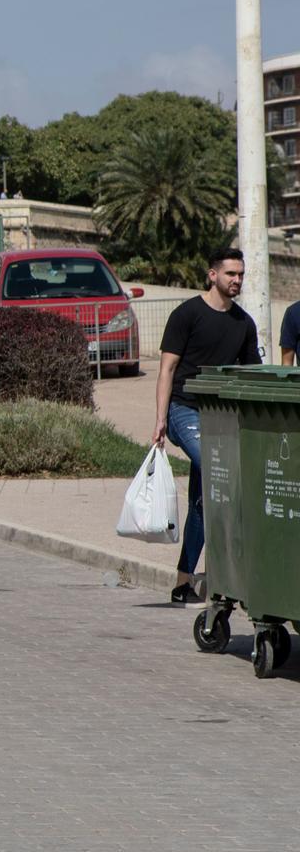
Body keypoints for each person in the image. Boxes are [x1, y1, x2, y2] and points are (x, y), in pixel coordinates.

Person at [154, 247, 260, 604]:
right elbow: (166, 369)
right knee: (218, 471)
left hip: (221, 417)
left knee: (203, 500)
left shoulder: (244, 324)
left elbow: (250, 378)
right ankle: (222, 568)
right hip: (184, 411)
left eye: (241, 274)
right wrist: (159, 420)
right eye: (231, 273)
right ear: (212, 274)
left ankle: (185, 582)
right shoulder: (187, 315)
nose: (237, 280)